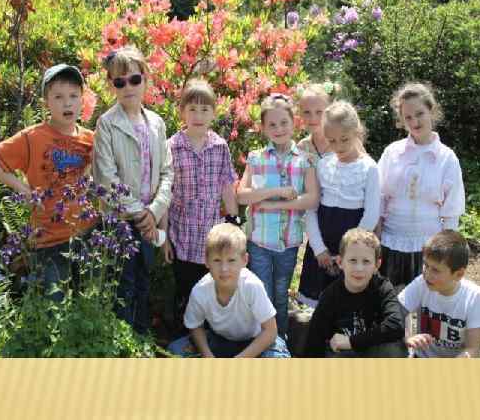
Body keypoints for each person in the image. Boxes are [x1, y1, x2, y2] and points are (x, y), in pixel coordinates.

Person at [0, 63, 95, 301]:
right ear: (46, 103)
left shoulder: (91, 139)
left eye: (73, 96)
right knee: (54, 308)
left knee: (85, 304)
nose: (67, 103)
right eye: (58, 97)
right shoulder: (32, 137)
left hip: (86, 235)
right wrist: (22, 189)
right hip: (48, 240)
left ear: (82, 101)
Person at [92, 46, 173, 334]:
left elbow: (167, 172)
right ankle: (124, 341)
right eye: (119, 82)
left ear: (145, 80)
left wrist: (154, 211)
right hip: (122, 220)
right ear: (111, 86)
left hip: (149, 219)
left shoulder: (156, 123)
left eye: (134, 79)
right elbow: (106, 177)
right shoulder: (107, 124)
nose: (128, 87)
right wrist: (140, 214)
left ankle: (141, 336)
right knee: (122, 285)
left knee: (144, 280)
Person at [237, 93, 319, 337]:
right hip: (259, 243)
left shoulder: (305, 161)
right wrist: (276, 192)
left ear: (294, 123)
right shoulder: (256, 159)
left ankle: (279, 342)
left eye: (284, 122)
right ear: (263, 128)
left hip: (288, 244)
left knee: (281, 296)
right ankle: (260, 340)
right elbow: (242, 195)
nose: (279, 129)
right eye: (272, 124)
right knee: (262, 294)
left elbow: (312, 199)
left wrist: (274, 205)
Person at [163, 79, 239, 332]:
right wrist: (164, 237)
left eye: (205, 110)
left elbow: (227, 187)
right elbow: (165, 194)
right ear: (182, 112)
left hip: (211, 239)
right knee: (186, 292)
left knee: (211, 291)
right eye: (192, 109)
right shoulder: (172, 147)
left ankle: (209, 336)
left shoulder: (219, 147)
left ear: (213, 113)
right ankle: (184, 338)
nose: (198, 116)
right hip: (182, 238)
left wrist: (235, 224)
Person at [378, 82, 465, 287]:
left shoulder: (446, 158)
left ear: (431, 111)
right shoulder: (392, 152)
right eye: (408, 117)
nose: (414, 121)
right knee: (392, 300)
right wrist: (377, 233)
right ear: (402, 120)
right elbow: (379, 196)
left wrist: (444, 251)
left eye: (419, 114)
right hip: (390, 243)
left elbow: (451, 211)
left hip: (429, 249)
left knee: (426, 300)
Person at [167, 223, 291, 358]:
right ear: (206, 261)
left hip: (256, 341)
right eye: (217, 260)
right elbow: (195, 326)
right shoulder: (200, 290)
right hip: (220, 340)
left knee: (278, 359)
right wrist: (207, 355)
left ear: (244, 260)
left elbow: (270, 331)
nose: (224, 268)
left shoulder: (251, 286)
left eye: (231, 260)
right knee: (175, 349)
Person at [305, 101, 380, 299]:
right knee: (320, 302)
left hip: (354, 246)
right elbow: (311, 208)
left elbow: (372, 213)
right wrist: (318, 248)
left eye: (344, 139)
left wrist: (349, 251)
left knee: (349, 299)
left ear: (357, 132)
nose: (338, 146)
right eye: (332, 141)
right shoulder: (323, 165)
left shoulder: (369, 168)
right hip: (323, 244)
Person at [304, 228, 406, 357]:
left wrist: (351, 341)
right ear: (340, 262)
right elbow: (314, 340)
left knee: (394, 350)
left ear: (377, 265)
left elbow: (396, 325)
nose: (359, 268)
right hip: (343, 355)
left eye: (366, 261)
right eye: (353, 260)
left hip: (372, 351)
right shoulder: (330, 296)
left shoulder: (382, 287)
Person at [398, 230, 480, 358]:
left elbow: (473, 350)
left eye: (435, 270)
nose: (427, 274)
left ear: (458, 274)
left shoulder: (475, 298)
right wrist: (408, 336)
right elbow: (396, 313)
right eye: (426, 265)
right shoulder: (422, 283)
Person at [295, 84, 334, 308]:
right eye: (307, 112)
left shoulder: (342, 141)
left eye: (319, 112)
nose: (313, 118)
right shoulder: (302, 147)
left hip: (341, 216)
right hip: (315, 219)